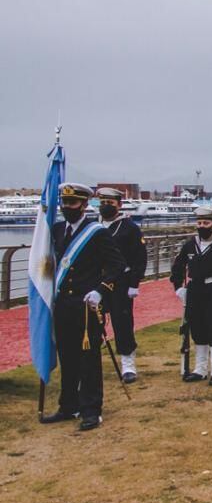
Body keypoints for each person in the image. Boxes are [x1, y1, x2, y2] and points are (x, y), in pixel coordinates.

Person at [41, 183, 125, 431]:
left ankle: (91, 409)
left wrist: (100, 290)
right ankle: (68, 406)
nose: (68, 208)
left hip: (86, 304)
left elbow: (116, 265)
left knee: (88, 359)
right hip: (63, 305)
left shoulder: (96, 232)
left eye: (73, 204)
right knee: (67, 356)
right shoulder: (57, 230)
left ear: (84, 205)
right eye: (65, 204)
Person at [170, 207, 212, 386]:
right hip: (195, 290)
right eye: (199, 223)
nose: (202, 226)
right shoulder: (190, 245)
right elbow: (178, 266)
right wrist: (178, 287)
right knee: (197, 330)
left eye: (206, 223)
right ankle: (200, 370)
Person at [95, 188, 148, 384]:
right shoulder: (93, 226)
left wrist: (134, 283)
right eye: (102, 202)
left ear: (119, 204)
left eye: (110, 202)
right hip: (97, 282)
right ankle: (92, 363)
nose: (106, 206)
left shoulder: (129, 228)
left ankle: (128, 365)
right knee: (93, 323)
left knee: (122, 322)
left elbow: (140, 258)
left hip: (121, 282)